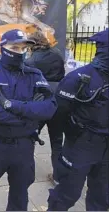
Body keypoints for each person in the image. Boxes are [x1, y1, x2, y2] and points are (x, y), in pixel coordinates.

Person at [0, 29, 57, 210]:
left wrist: (12, 106)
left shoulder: (35, 75)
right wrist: (29, 116)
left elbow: (49, 108)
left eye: (23, 48)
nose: (20, 52)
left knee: (20, 194)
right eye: (15, 47)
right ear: (3, 48)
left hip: (24, 147)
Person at [47, 29, 109, 211]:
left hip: (106, 149)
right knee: (67, 193)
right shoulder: (78, 79)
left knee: (102, 195)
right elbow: (58, 115)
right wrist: (72, 138)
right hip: (81, 143)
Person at [25, 30, 65, 185]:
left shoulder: (31, 61)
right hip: (59, 100)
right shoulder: (57, 54)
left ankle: (26, 173)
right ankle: (58, 177)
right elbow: (61, 74)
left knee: (30, 137)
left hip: (40, 102)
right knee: (57, 141)